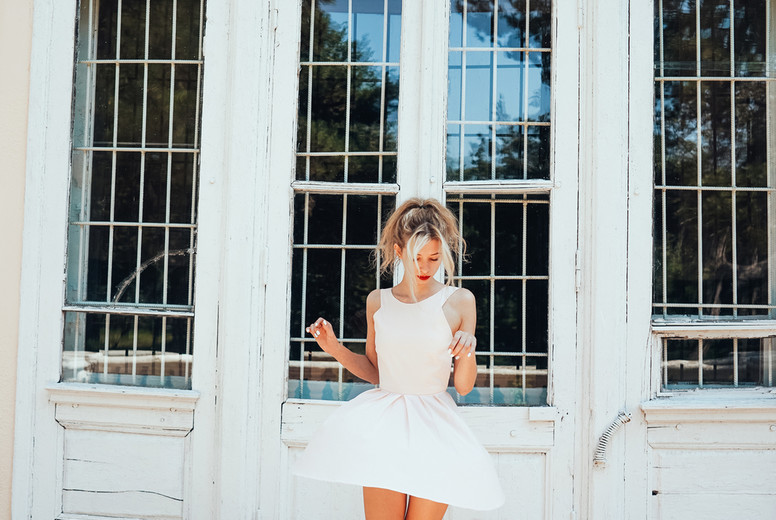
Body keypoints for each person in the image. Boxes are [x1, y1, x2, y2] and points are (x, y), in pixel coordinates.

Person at [293, 198, 505, 519]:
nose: (424, 267)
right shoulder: (378, 301)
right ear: (397, 251)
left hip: (435, 428)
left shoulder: (460, 301)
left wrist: (469, 347)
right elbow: (376, 372)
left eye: (433, 258)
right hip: (384, 427)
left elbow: (462, 387)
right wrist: (334, 347)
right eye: (416, 257)